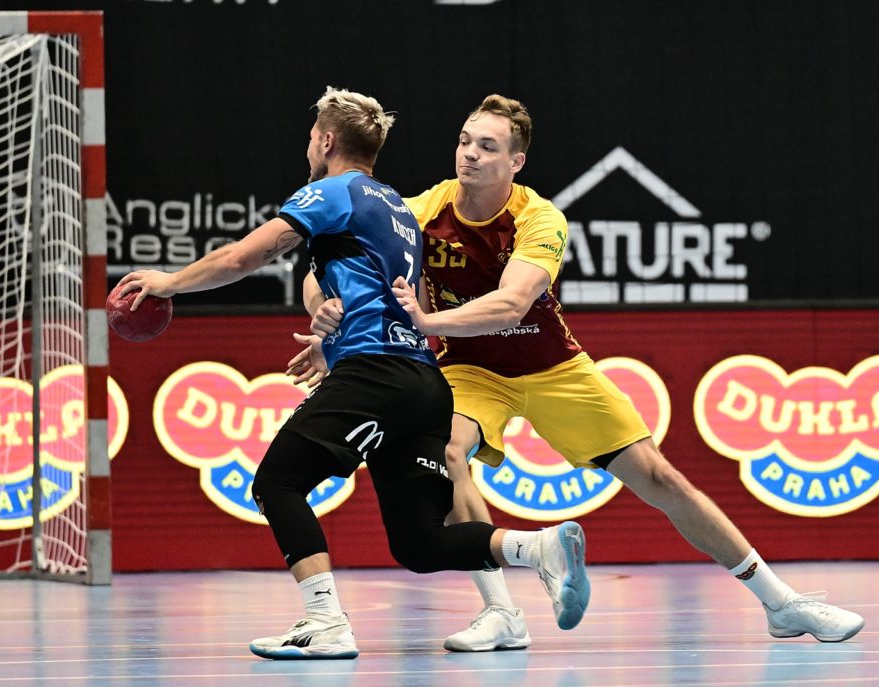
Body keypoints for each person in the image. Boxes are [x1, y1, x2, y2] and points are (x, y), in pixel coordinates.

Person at [309, 93, 866, 652]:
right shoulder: (421, 211)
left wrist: (429, 320)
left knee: (659, 477)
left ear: (516, 161)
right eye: (464, 141)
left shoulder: (539, 218)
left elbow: (512, 304)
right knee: (448, 453)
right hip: (470, 370)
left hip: (554, 367)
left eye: (488, 146)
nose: (469, 154)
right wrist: (325, 309)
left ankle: (780, 602)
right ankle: (502, 613)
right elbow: (328, 263)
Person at [115, 87, 591, 661]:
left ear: (325, 140)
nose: (308, 145)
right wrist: (329, 335)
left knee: (276, 483)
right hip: (423, 382)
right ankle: (537, 549)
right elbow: (392, 297)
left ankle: (325, 622)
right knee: (420, 543)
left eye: (310, 136)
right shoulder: (399, 209)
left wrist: (169, 281)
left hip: (375, 374)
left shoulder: (332, 191)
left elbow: (245, 256)